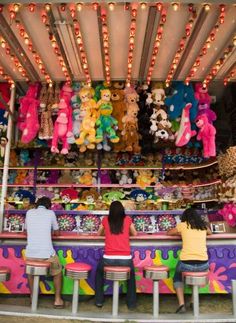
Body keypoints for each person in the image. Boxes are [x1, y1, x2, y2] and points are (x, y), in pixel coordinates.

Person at [167, 208, 212, 313]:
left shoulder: (183, 225)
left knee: (177, 278)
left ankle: (181, 305)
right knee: (198, 278)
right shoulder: (203, 226)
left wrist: (181, 233)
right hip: (203, 264)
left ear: (184, 217)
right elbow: (210, 233)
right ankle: (192, 301)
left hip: (186, 263)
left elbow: (169, 233)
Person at [95, 200, 137, 309]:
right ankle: (131, 304)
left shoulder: (105, 220)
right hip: (126, 259)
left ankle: (99, 301)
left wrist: (107, 232)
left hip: (108, 258)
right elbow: (135, 233)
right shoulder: (127, 219)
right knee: (131, 278)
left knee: (99, 274)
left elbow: (99, 233)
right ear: (122, 210)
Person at [25, 196, 64, 308]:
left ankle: (33, 297)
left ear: (37, 204)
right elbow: (57, 233)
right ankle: (57, 300)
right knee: (57, 272)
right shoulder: (51, 213)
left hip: (30, 254)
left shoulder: (29, 212)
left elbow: (26, 230)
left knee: (30, 273)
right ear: (48, 205)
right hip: (47, 255)